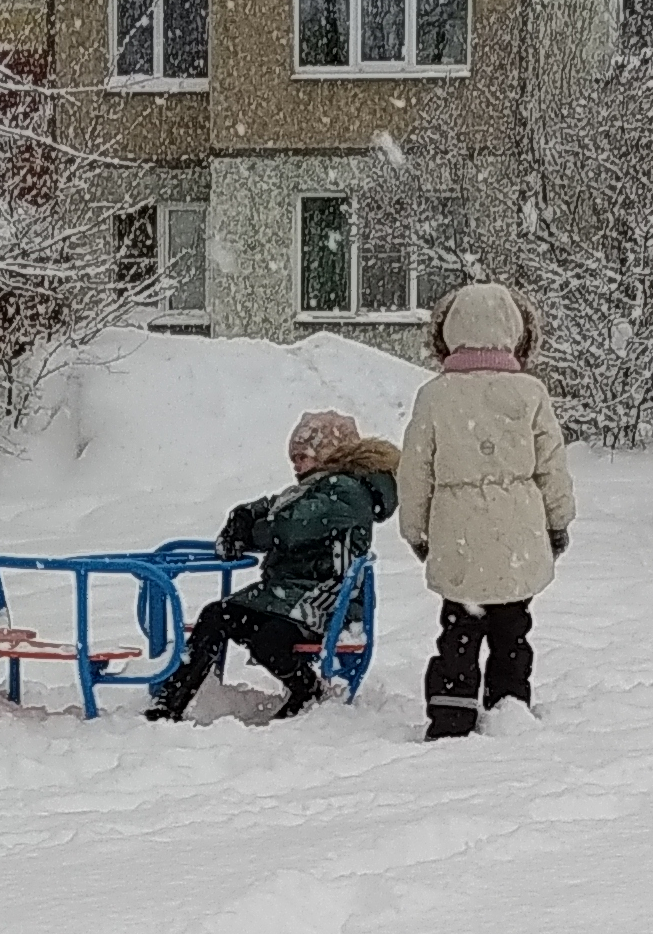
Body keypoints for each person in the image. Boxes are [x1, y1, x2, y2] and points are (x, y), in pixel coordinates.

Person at [398, 282, 576, 742]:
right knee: (512, 628)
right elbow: (551, 465)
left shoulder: (435, 396)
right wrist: (558, 521)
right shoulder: (530, 393)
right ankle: (509, 704)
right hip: (517, 531)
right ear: (516, 332)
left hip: (457, 533)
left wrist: (415, 530)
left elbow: (414, 471)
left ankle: (452, 711)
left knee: (458, 630)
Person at [146, 411, 399, 724]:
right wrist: (244, 515)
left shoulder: (345, 491)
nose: (295, 464)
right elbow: (275, 506)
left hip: (327, 598)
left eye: (302, 456)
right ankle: (169, 703)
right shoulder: (317, 487)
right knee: (217, 615)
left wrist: (249, 533)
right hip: (288, 595)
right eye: (293, 456)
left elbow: (290, 526)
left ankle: (307, 690)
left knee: (269, 638)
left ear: (329, 454)